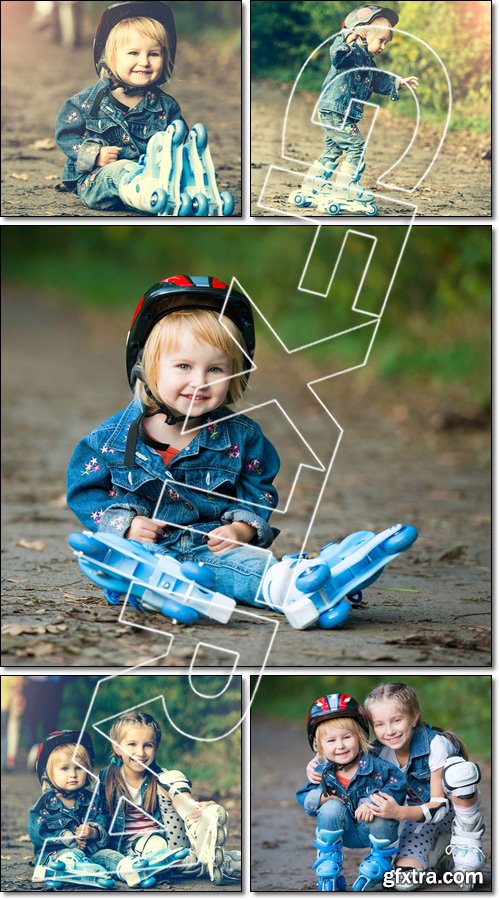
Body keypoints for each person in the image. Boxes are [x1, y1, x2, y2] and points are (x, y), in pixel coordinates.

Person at [66, 274, 418, 629]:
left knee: (249, 570)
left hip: (212, 551)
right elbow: (85, 491)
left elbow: (257, 491)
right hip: (147, 550)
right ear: (148, 366)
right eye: (184, 366)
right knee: (105, 555)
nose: (200, 381)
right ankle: (149, 581)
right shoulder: (111, 439)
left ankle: (295, 586)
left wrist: (241, 530)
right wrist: (124, 525)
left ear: (236, 374)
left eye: (215, 369)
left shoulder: (243, 437)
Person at [55, 2, 233, 216]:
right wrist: (94, 155)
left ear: (166, 57)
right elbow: (67, 135)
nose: (144, 62)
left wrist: (188, 165)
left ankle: (189, 193)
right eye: (133, 53)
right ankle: (153, 194)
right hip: (99, 179)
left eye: (154, 54)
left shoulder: (166, 107)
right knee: (120, 169)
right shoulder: (87, 103)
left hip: (153, 177)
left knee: (176, 164)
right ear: (110, 56)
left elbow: (173, 147)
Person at [293, 5, 419, 214]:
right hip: (335, 109)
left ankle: (312, 185)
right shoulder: (348, 52)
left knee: (333, 150)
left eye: (386, 43)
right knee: (356, 146)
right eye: (381, 41)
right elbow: (337, 55)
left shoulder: (367, 61)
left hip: (340, 112)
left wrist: (398, 83)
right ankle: (346, 188)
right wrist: (349, 38)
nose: (383, 47)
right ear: (363, 34)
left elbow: (378, 79)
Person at [363, 682, 485, 890]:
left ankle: (466, 843)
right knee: (403, 882)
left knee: (459, 771)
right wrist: (318, 763)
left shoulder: (436, 744)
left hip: (451, 812)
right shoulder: (377, 753)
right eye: (379, 724)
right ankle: (439, 856)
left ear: (414, 716)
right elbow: (343, 759)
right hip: (418, 820)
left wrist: (400, 812)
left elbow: (438, 807)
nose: (389, 731)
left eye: (396, 720)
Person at [97, 711, 241, 886]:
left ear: (155, 747)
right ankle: (219, 861)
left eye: (148, 745)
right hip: (133, 848)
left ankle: (196, 820)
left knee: (171, 777)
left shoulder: (161, 777)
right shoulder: (106, 780)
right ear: (117, 747)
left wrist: (197, 808)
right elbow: (95, 817)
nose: (140, 752)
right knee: (172, 856)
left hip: (173, 841)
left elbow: (176, 796)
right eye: (132, 744)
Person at [297, 693, 407, 891]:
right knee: (331, 806)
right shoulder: (321, 772)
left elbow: (398, 785)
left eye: (347, 737)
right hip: (341, 830)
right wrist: (321, 797)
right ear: (318, 745)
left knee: (383, 811)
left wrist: (372, 803)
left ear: (361, 736)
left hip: (373, 829)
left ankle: (379, 861)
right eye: (331, 741)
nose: (340, 746)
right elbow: (304, 795)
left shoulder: (378, 767)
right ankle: (328, 862)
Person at [28, 730, 116, 889]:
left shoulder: (91, 800)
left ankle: (129, 868)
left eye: (79, 768)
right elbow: (37, 833)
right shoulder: (45, 805)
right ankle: (73, 871)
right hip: (55, 855)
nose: (73, 774)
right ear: (48, 773)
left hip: (90, 853)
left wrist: (93, 831)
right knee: (72, 855)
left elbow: (102, 819)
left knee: (110, 856)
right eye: (65, 769)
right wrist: (66, 837)